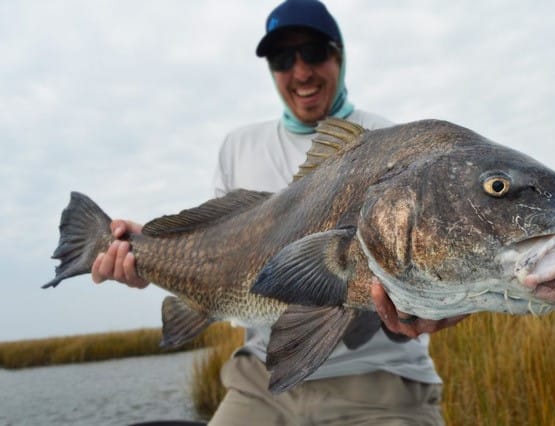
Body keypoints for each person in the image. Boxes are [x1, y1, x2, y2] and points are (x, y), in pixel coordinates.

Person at [92, 1, 467, 424]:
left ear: (338, 55)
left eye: (313, 52)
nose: (301, 71)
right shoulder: (238, 147)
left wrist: (433, 304)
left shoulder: (391, 143)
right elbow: (215, 251)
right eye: (283, 58)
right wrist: (148, 250)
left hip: (378, 382)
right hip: (261, 380)